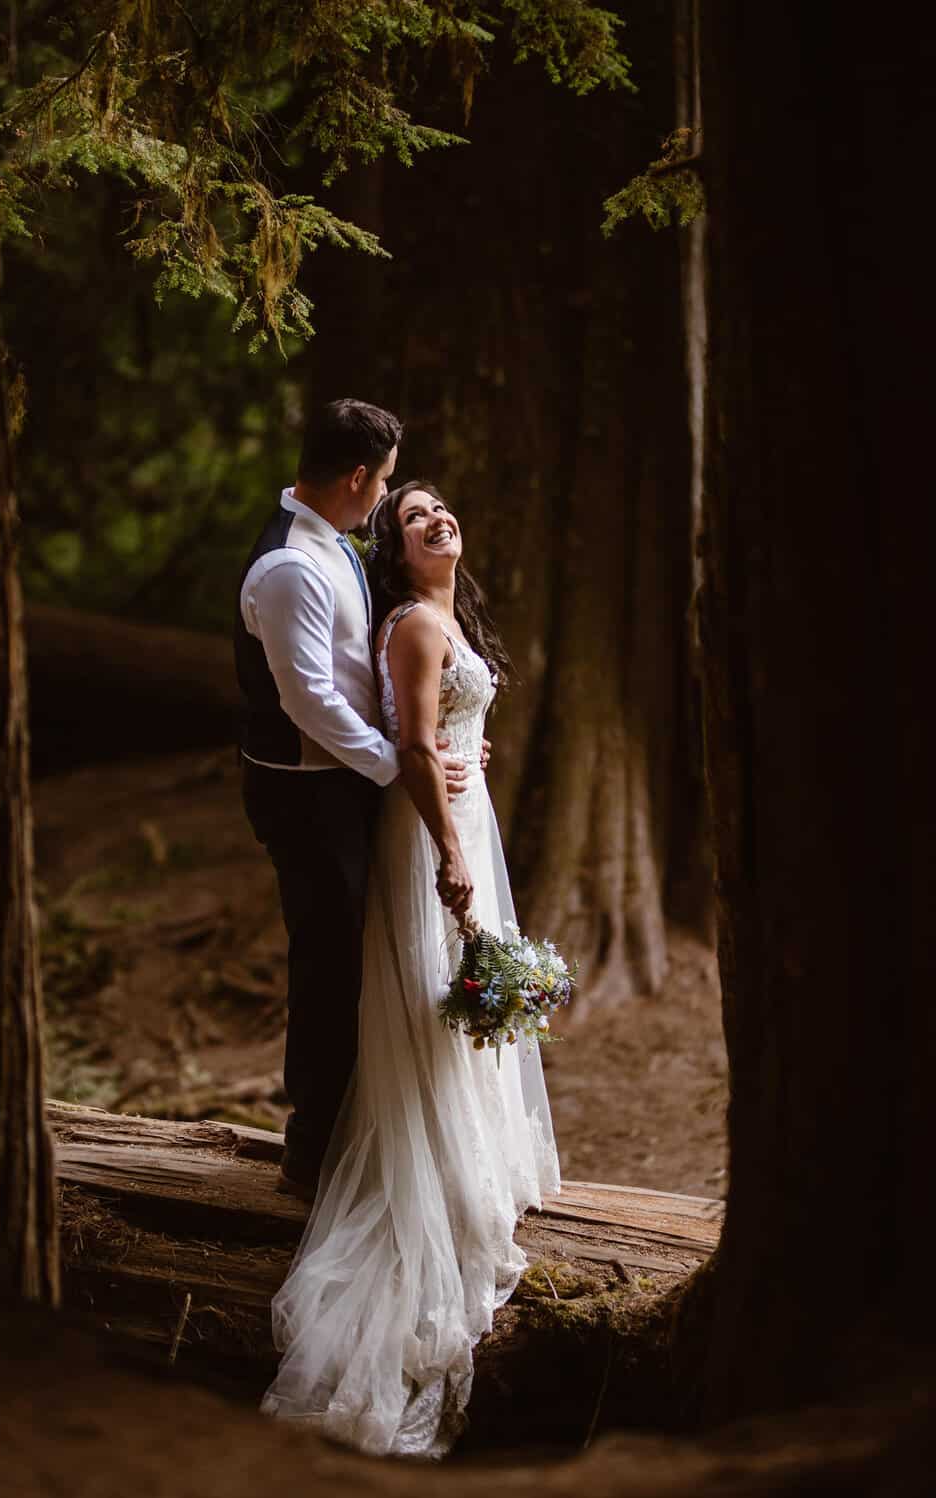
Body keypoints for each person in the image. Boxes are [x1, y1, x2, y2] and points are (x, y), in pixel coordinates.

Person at [260, 479, 560, 1458]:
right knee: (435, 998)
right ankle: (428, 1184)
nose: (433, 519)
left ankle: (472, 1153)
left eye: (438, 507)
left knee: (457, 1000)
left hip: (460, 815)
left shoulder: (444, 614)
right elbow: (417, 745)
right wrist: (450, 851)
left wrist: (465, 782)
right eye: (409, 514)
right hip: (432, 832)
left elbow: (446, 734)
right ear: (396, 545)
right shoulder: (410, 625)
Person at [235, 400, 472, 1201]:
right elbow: (310, 703)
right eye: (388, 484)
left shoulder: (332, 541)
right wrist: (398, 767)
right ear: (358, 477)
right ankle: (311, 1155)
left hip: (345, 783)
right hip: (307, 797)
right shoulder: (289, 568)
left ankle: (362, 1133)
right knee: (330, 968)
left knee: (364, 960)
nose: (387, 499)